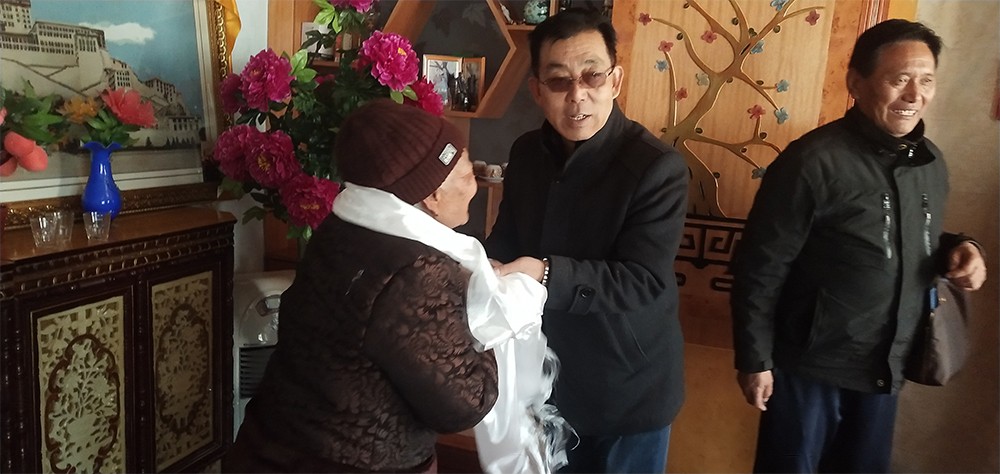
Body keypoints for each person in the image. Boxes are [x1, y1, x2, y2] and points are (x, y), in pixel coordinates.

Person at [731, 19, 988, 473]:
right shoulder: (812, 161)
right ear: (856, 83)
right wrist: (755, 360)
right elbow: (759, 266)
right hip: (809, 366)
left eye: (926, 80)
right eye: (899, 79)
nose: (914, 94)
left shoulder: (929, 162)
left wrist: (961, 248)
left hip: (886, 366)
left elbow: (907, 237)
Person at [224, 99, 499, 473]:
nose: (475, 187)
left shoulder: (344, 226)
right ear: (433, 196)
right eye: (467, 176)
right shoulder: (417, 270)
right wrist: (493, 311)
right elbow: (465, 403)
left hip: (271, 445)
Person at [485, 8, 689, 473]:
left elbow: (641, 279)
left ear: (615, 81)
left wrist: (544, 272)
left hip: (627, 384)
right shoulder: (526, 153)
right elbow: (508, 237)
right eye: (559, 81)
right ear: (537, 90)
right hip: (546, 378)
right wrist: (482, 265)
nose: (578, 96)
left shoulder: (656, 168)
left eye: (592, 76)